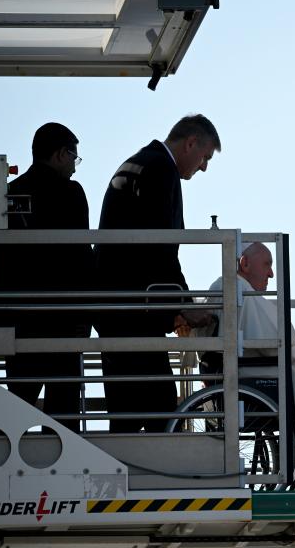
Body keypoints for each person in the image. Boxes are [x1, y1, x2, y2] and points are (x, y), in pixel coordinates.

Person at [94, 114, 219, 432]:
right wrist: (185, 307)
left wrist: (177, 306)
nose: (204, 167)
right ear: (191, 143)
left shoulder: (142, 163)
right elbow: (161, 251)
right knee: (164, 416)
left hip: (119, 311)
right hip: (134, 314)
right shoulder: (161, 170)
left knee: (128, 416)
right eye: (204, 156)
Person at [0, 123, 93, 431]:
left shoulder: (9, 192)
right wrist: (87, 313)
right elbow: (81, 256)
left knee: (17, 404)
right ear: (61, 154)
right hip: (62, 316)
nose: (75, 166)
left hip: (16, 316)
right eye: (75, 157)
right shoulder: (70, 193)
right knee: (64, 415)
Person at [204, 242, 295, 466]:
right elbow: (278, 345)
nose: (271, 272)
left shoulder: (226, 287)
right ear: (244, 263)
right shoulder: (240, 290)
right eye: (267, 264)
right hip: (251, 374)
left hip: (237, 371)